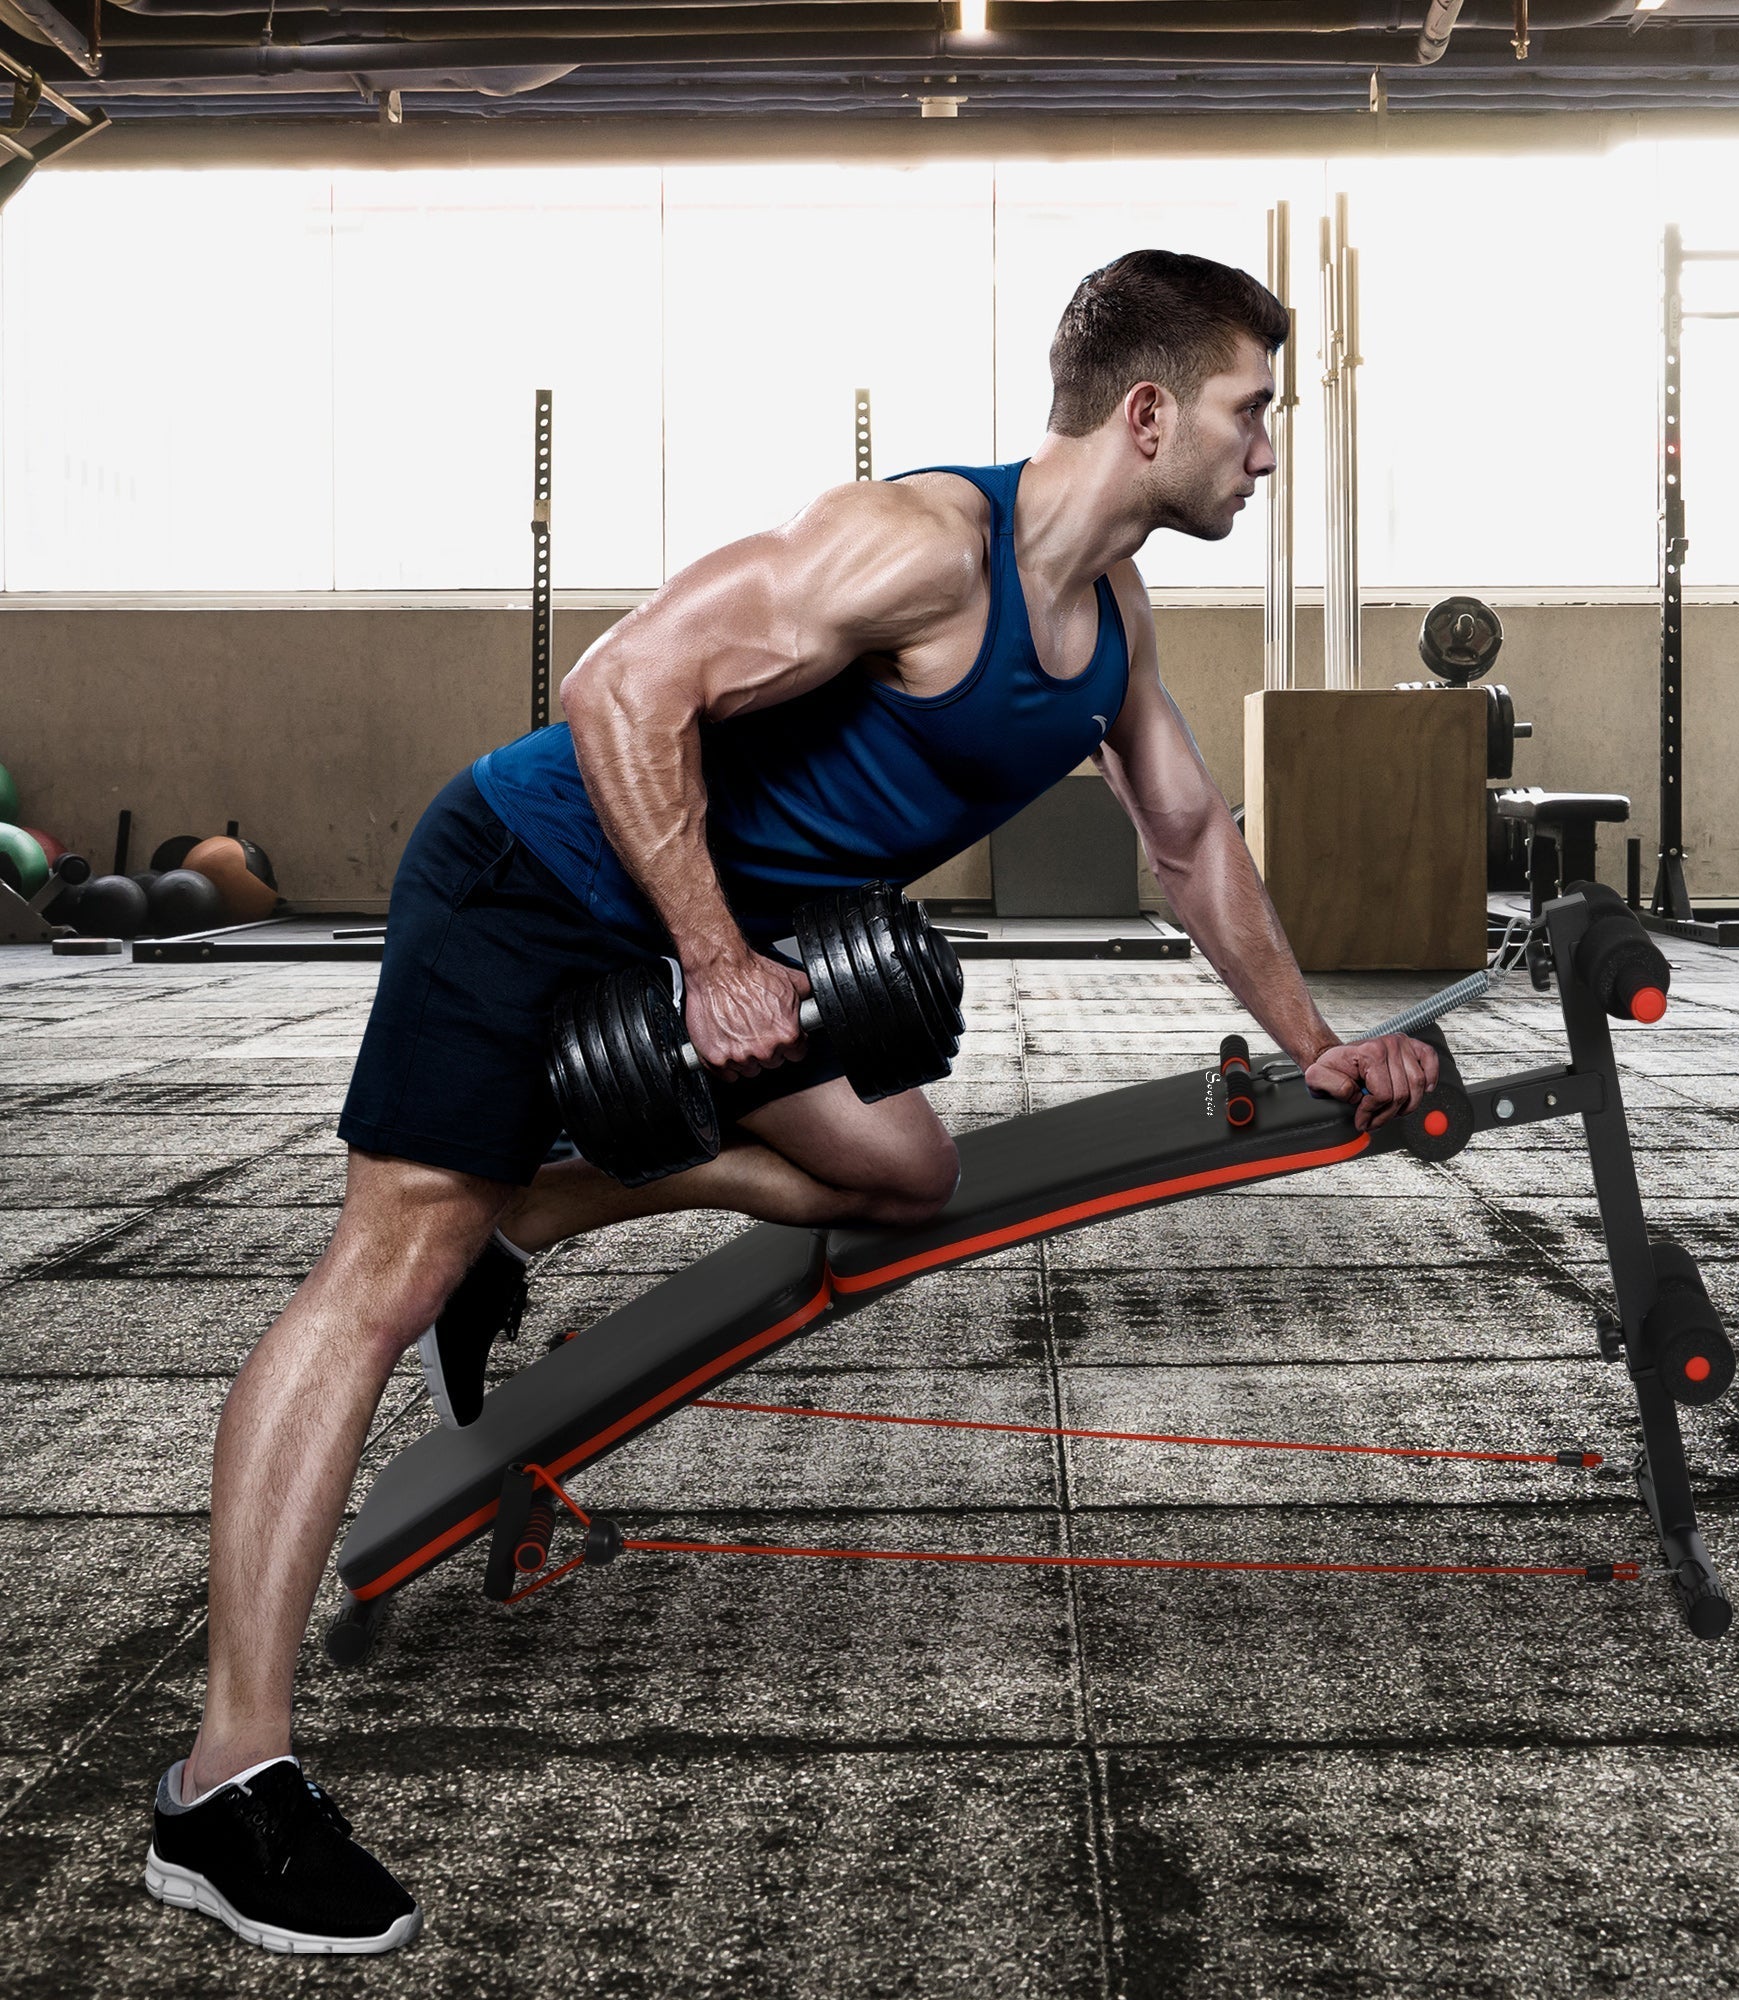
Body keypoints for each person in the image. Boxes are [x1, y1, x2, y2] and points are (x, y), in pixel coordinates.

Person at [145, 247, 1442, 1955]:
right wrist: (709, 958)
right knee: (379, 1270)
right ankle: (224, 1787)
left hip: (712, 935)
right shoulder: (913, 548)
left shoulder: (1110, 622)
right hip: (534, 873)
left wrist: (1312, 1047)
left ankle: (517, 1214)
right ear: (1147, 414)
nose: (1266, 453)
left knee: (898, 1170)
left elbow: (1192, 841)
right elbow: (619, 688)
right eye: (1249, 413)